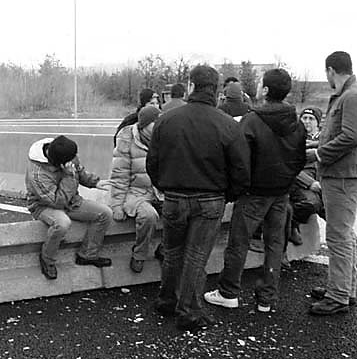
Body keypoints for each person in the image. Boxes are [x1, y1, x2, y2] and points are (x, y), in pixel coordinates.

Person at [146, 65, 250, 330]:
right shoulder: (227, 124)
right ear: (216, 90)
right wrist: (227, 195)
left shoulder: (166, 120)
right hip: (210, 198)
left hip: (174, 196)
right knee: (196, 255)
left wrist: (163, 186)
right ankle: (189, 310)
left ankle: (167, 299)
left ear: (191, 86)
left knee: (172, 251)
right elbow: (241, 169)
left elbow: (153, 162)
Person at [204, 68, 306, 313]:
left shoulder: (252, 121)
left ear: (266, 90)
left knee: (239, 242)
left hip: (254, 193)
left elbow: (239, 159)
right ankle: (266, 298)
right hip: (281, 192)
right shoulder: (297, 122)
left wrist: (238, 188)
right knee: (275, 244)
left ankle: (228, 292)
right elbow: (300, 158)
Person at [309, 51, 357, 315]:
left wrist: (318, 154)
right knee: (342, 234)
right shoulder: (349, 95)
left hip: (343, 175)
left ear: (331, 71)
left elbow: (350, 136)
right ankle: (345, 288)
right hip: (341, 174)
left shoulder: (353, 96)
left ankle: (338, 295)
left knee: (338, 236)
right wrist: (316, 145)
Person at [287, 107, 357, 273]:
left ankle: (353, 253)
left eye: (311, 119)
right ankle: (291, 224)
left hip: (324, 180)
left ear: (318, 123)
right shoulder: (293, 139)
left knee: (339, 216)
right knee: (312, 203)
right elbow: (289, 167)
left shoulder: (324, 141)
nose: (307, 122)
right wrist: (310, 183)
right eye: (304, 118)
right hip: (302, 182)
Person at [26, 135, 113, 280]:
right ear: (60, 163)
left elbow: (78, 171)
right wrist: (68, 176)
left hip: (71, 200)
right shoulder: (37, 174)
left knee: (105, 213)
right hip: (43, 205)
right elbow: (57, 202)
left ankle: (87, 255)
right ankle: (47, 259)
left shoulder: (66, 153)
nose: (75, 159)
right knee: (62, 223)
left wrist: (94, 182)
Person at [109, 105, 163, 273]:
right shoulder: (126, 140)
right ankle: (139, 254)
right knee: (149, 216)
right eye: (155, 123)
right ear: (144, 125)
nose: (159, 126)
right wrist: (117, 206)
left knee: (181, 212)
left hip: (160, 191)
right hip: (136, 192)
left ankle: (164, 249)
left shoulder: (166, 138)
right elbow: (119, 175)